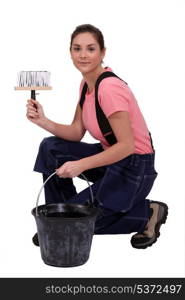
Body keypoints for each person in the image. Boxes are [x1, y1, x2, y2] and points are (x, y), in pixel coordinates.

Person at [26, 24, 168, 249]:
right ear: (70, 52)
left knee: (78, 222)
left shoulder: (109, 88)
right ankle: (59, 216)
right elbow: (75, 132)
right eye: (77, 48)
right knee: (50, 147)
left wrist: (80, 165)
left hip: (135, 166)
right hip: (111, 157)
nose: (83, 55)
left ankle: (147, 212)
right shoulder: (86, 85)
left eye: (91, 49)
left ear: (102, 53)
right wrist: (43, 121)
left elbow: (127, 146)